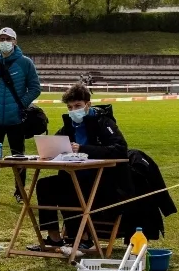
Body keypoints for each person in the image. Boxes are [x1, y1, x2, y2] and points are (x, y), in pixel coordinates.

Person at [28, 83, 132, 251]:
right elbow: (57, 142)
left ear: (87, 104)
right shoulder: (69, 124)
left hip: (104, 180)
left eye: (77, 106)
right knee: (45, 185)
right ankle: (53, 237)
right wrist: (49, 152)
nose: (73, 110)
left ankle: (83, 237)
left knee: (71, 187)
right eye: (70, 107)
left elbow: (120, 149)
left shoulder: (104, 122)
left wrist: (84, 149)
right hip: (75, 175)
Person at [0, 27, 42, 203]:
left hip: (16, 120)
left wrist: (21, 105)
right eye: (1, 39)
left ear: (15, 41)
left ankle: (19, 192)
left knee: (19, 157)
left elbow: (35, 88)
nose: (4, 42)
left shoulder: (26, 63)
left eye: (8, 38)